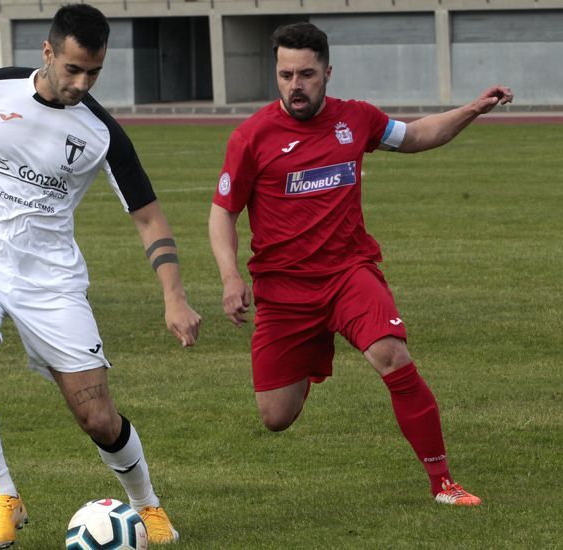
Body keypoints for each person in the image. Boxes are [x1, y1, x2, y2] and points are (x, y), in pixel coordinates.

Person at [0, 4, 200, 547]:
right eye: (73, 68)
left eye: (94, 72)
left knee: (97, 417)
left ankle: (148, 507)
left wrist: (174, 296)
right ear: (47, 53)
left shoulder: (100, 132)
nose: (82, 82)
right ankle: (3, 496)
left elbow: (148, 217)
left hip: (51, 281)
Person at [209, 22, 513, 507]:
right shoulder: (252, 137)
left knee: (392, 355)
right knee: (275, 416)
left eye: (306, 74)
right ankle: (309, 361)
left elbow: (414, 136)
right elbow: (222, 211)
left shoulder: (357, 120)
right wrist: (230, 277)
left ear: (327, 72)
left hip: (349, 273)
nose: (295, 85)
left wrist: (472, 109)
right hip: (284, 290)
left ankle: (444, 484)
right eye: (286, 75)